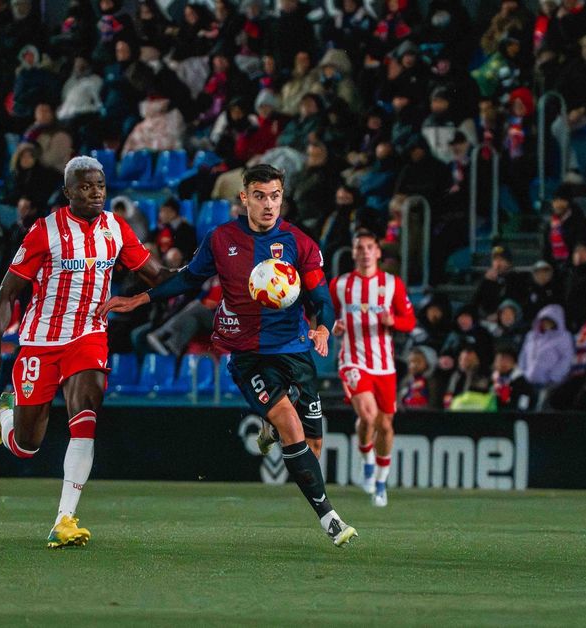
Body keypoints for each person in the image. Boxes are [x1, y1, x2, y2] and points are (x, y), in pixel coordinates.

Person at [98, 164, 358, 547]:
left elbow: (321, 297)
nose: (268, 205)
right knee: (291, 424)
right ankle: (330, 519)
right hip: (246, 352)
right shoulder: (221, 239)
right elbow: (188, 278)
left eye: (274, 197)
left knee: (312, 446)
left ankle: (270, 425)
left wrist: (322, 327)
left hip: (293, 348)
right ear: (244, 197)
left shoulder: (300, 243)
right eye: (260, 196)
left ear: (282, 199)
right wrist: (141, 298)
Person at [0, 156, 171, 549]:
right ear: (68, 192)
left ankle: (64, 518)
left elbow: (157, 276)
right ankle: (7, 414)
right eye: (85, 187)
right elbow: (7, 292)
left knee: (86, 415)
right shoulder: (44, 231)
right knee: (27, 446)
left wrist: (203, 271)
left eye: (100, 185)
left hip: (89, 336)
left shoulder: (116, 228)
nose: (95, 193)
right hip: (40, 341)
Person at [330, 229, 416, 507]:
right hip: (353, 360)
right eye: (360, 247)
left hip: (384, 366)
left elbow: (409, 321)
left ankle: (380, 481)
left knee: (385, 425)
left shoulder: (392, 284)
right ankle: (367, 460)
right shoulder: (340, 285)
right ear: (353, 253)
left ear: (378, 252)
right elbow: (324, 314)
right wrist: (333, 326)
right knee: (368, 415)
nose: (365, 252)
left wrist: (394, 322)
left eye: (370, 247)